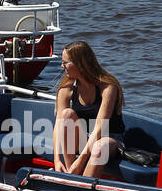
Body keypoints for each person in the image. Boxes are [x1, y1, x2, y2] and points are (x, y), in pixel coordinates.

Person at [53, 41, 125, 178]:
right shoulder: (66, 89)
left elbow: (99, 128)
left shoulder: (108, 87)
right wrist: (57, 160)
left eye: (65, 63)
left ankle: (83, 188)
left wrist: (80, 161)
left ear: (80, 64)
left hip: (109, 138)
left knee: (98, 147)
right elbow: (59, 126)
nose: (62, 67)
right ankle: (70, 174)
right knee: (66, 115)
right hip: (85, 137)